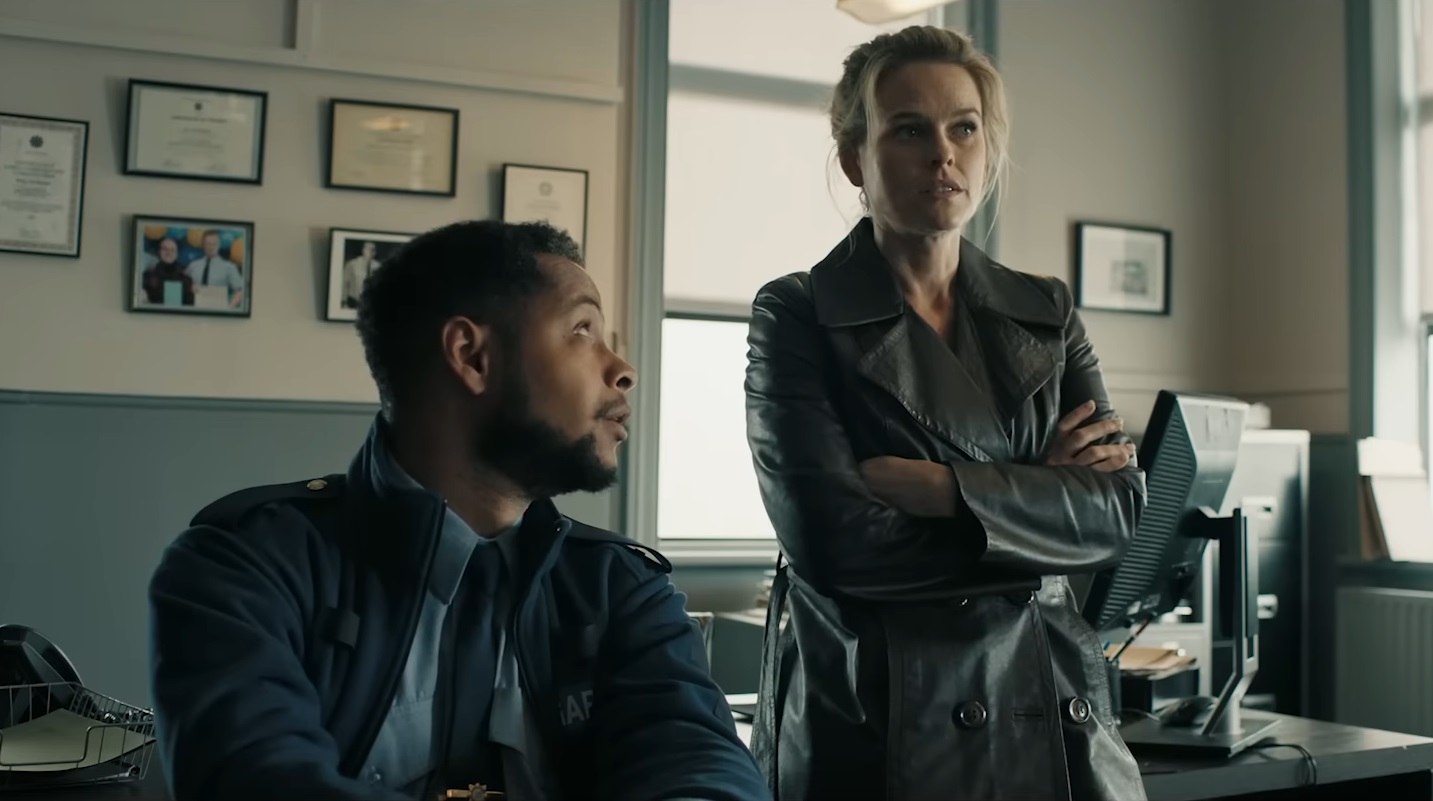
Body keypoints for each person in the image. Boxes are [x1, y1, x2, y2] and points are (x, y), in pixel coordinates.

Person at [148, 220, 769, 801]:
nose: (623, 370)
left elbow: (699, 766)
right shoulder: (244, 568)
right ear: (471, 356)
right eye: (583, 330)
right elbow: (259, 779)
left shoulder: (621, 589)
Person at [744, 25, 1148, 801]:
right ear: (854, 159)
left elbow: (1118, 515)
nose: (942, 154)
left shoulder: (1046, 310)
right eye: (908, 130)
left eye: (963, 127)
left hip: (1053, 708)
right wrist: (1040, 498)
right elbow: (833, 543)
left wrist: (944, 489)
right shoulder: (797, 311)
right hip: (883, 715)